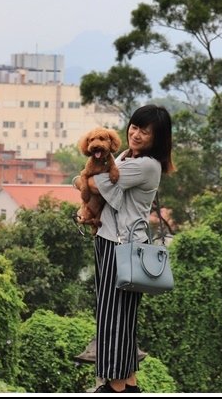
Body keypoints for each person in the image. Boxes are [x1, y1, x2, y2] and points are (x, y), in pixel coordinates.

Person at [86, 105, 175, 393]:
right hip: (112, 242)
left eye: (144, 131)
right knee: (120, 318)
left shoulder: (146, 165)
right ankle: (129, 385)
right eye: (134, 127)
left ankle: (113, 387)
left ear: (156, 139)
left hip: (121, 247)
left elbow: (97, 184)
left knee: (112, 318)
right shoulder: (125, 157)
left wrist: (84, 180)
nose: (135, 134)